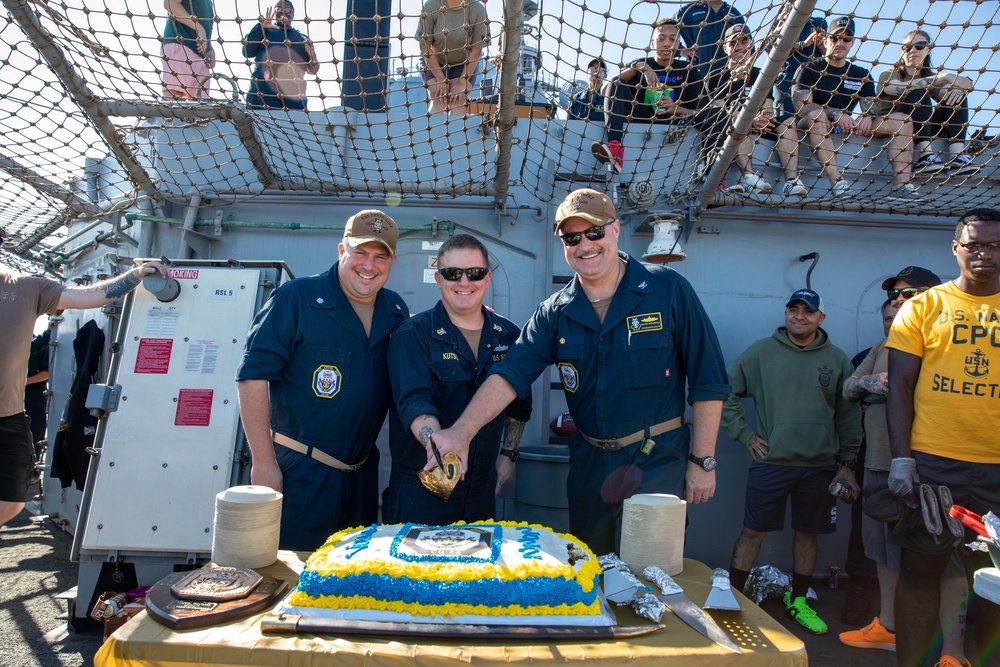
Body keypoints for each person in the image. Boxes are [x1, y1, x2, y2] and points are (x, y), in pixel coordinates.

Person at [429, 188, 730, 556]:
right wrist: (461, 433)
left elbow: (708, 380)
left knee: (651, 569)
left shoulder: (667, 289)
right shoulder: (555, 313)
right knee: (594, 569)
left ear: (615, 230)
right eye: (572, 237)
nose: (584, 244)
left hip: (656, 460)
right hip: (591, 465)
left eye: (594, 232)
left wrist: (703, 460)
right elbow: (510, 375)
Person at [236, 210, 409, 551]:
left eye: (380, 257)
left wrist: (464, 318)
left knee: (349, 580)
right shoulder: (297, 299)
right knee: (293, 579)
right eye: (360, 252)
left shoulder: (396, 310)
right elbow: (252, 376)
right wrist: (264, 463)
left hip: (361, 475)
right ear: (341, 250)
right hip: (301, 474)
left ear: (392, 261)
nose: (368, 265)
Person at [887, 208, 1000, 667]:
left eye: (995, 245)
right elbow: (898, 386)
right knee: (920, 570)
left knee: (995, 579)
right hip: (935, 463)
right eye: (974, 245)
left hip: (997, 467)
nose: (985, 254)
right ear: (955, 248)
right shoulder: (922, 307)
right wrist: (902, 460)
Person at [1, 226, 167, 528]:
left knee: (11, 501)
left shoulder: (27, 287)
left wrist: (136, 275)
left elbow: (91, 296)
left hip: (8, 416)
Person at [724, 288, 862, 636]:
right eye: (793, 309)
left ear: (820, 318)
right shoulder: (762, 353)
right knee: (752, 531)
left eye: (808, 311)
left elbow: (848, 416)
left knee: (807, 534)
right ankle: (733, 601)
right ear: (786, 314)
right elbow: (724, 391)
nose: (799, 316)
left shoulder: (836, 359)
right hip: (773, 464)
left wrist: (847, 463)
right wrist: (744, 435)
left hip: (819, 467)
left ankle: (797, 602)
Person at [384, 234, 530, 524]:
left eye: (474, 273)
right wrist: (440, 445)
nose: (464, 283)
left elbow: (519, 403)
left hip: (481, 493)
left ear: (487, 278)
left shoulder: (509, 336)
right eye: (452, 274)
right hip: (423, 491)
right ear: (439, 279)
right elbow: (415, 402)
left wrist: (507, 455)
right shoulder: (413, 335)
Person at [838, 267, 947, 651]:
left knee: (936, 557)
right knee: (882, 550)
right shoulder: (886, 346)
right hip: (880, 462)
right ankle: (887, 626)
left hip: (928, 466)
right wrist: (876, 383)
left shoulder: (945, 340)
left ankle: (948, 647)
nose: (897, 302)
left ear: (934, 297)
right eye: (894, 297)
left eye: (907, 294)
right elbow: (850, 387)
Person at [789, 16, 918, 201]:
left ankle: (902, 186)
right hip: (815, 122)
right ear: (825, 40)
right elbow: (802, 107)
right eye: (835, 38)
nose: (840, 42)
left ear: (852, 43)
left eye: (846, 39)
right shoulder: (809, 68)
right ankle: (838, 183)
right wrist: (835, 113)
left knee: (903, 121)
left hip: (848, 125)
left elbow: (870, 102)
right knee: (816, 115)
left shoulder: (861, 74)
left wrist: (867, 115)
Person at [592, 19, 728, 175]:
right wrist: (638, 68)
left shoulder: (687, 70)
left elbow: (701, 110)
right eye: (661, 39)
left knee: (719, 114)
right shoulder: (641, 64)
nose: (667, 43)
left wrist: (675, 108)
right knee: (616, 83)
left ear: (678, 44)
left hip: (675, 121)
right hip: (641, 117)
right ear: (652, 43)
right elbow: (605, 89)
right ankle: (615, 149)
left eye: (672, 39)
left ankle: (710, 171)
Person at [875, 29, 977, 176]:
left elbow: (946, 93)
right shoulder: (889, 73)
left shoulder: (930, 76)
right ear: (901, 51)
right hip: (895, 126)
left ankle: (957, 156)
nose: (913, 51)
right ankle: (925, 156)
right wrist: (944, 76)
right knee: (919, 92)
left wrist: (959, 88)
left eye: (920, 46)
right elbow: (894, 89)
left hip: (923, 127)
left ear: (928, 50)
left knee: (956, 96)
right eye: (907, 47)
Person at [705, 24, 775, 195]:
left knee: (788, 123)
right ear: (725, 47)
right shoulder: (715, 77)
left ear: (751, 45)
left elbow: (768, 109)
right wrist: (749, 119)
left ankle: (792, 181)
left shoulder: (763, 74)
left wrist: (763, 117)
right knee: (737, 118)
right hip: (732, 127)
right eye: (734, 43)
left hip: (760, 127)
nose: (740, 47)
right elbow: (720, 111)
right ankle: (749, 176)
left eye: (744, 42)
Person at [416, 0, 489, 115]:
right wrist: (440, 79)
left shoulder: (477, 9)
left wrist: (461, 83)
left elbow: (476, 51)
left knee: (457, 100)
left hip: (464, 63)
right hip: (434, 60)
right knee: (439, 97)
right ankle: (434, 132)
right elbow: (425, 46)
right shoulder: (432, 6)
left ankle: (456, 132)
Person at [243, 1, 319, 111]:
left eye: (287, 10)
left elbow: (313, 70)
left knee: (294, 126)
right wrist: (261, 27)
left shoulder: (302, 39)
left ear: (293, 14)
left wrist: (311, 55)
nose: (283, 12)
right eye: (278, 9)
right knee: (259, 125)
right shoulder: (265, 30)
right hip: (263, 91)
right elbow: (247, 52)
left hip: (293, 94)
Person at [674, 0, 745, 77]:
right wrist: (680, 50)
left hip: (726, 77)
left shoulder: (735, 14)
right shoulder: (688, 11)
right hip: (697, 74)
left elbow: (748, 44)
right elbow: (665, 32)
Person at [161, 0, 216, 100]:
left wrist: (209, 47)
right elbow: (169, 3)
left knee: (200, 106)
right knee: (173, 98)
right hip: (181, 45)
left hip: (200, 54)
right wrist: (198, 28)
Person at [24, 328, 50, 462]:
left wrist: (23, 382)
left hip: (33, 397)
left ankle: (32, 474)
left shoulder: (38, 344)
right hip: (9, 397)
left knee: (33, 436)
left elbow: (47, 372)